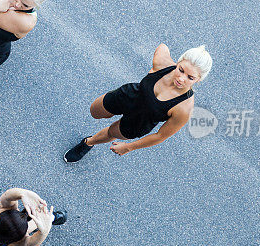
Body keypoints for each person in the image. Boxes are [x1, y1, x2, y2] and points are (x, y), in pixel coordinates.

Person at [64, 44, 212, 162]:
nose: (181, 78)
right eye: (181, 70)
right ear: (178, 62)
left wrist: (129, 147)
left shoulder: (184, 108)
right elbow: (162, 47)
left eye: (190, 77)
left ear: (199, 79)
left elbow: (160, 136)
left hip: (139, 121)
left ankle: (89, 142)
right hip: (127, 96)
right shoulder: (162, 64)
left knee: (111, 132)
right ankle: (106, 121)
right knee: (94, 112)